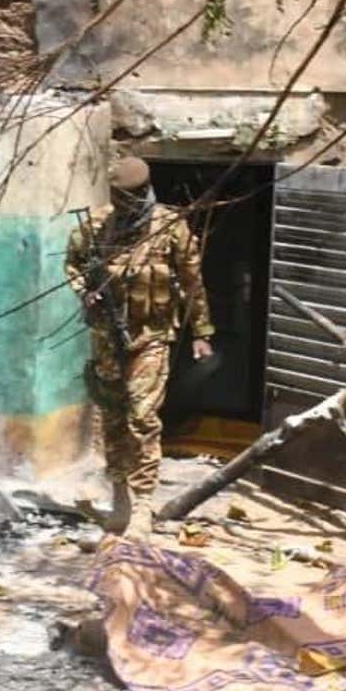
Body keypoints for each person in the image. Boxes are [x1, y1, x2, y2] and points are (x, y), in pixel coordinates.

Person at [65, 156, 214, 538]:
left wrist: (202, 332)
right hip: (106, 337)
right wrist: (86, 292)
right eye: (123, 196)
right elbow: (72, 263)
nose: (131, 203)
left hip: (151, 337)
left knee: (143, 417)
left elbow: (192, 279)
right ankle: (120, 497)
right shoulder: (97, 226)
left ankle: (144, 504)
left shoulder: (169, 227)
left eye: (135, 195)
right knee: (113, 415)